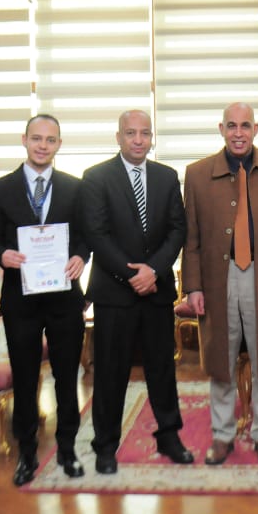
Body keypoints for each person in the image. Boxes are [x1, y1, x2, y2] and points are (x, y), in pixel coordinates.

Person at [182, 102, 258, 465]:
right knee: (221, 358)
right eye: (232, 126)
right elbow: (191, 238)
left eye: (245, 125)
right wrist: (193, 286)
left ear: (256, 129)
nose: (239, 133)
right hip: (217, 279)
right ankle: (222, 435)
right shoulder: (197, 174)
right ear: (221, 129)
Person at [81, 110, 193, 474]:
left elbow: (177, 229)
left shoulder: (166, 177)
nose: (139, 140)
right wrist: (133, 275)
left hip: (156, 292)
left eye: (145, 133)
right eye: (131, 133)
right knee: (110, 373)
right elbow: (96, 234)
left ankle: (169, 436)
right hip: (114, 294)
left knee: (162, 369)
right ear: (118, 137)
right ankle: (105, 445)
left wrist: (153, 270)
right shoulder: (96, 177)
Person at [0, 114, 91, 485]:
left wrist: (81, 256)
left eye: (50, 139)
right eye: (36, 138)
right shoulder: (0, 189)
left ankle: (67, 449)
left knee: (66, 378)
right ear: (24, 140)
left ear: (59, 144)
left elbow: (85, 236)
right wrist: (2, 255)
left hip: (64, 299)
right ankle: (26, 454)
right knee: (26, 380)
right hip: (21, 302)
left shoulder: (75, 188)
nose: (43, 145)